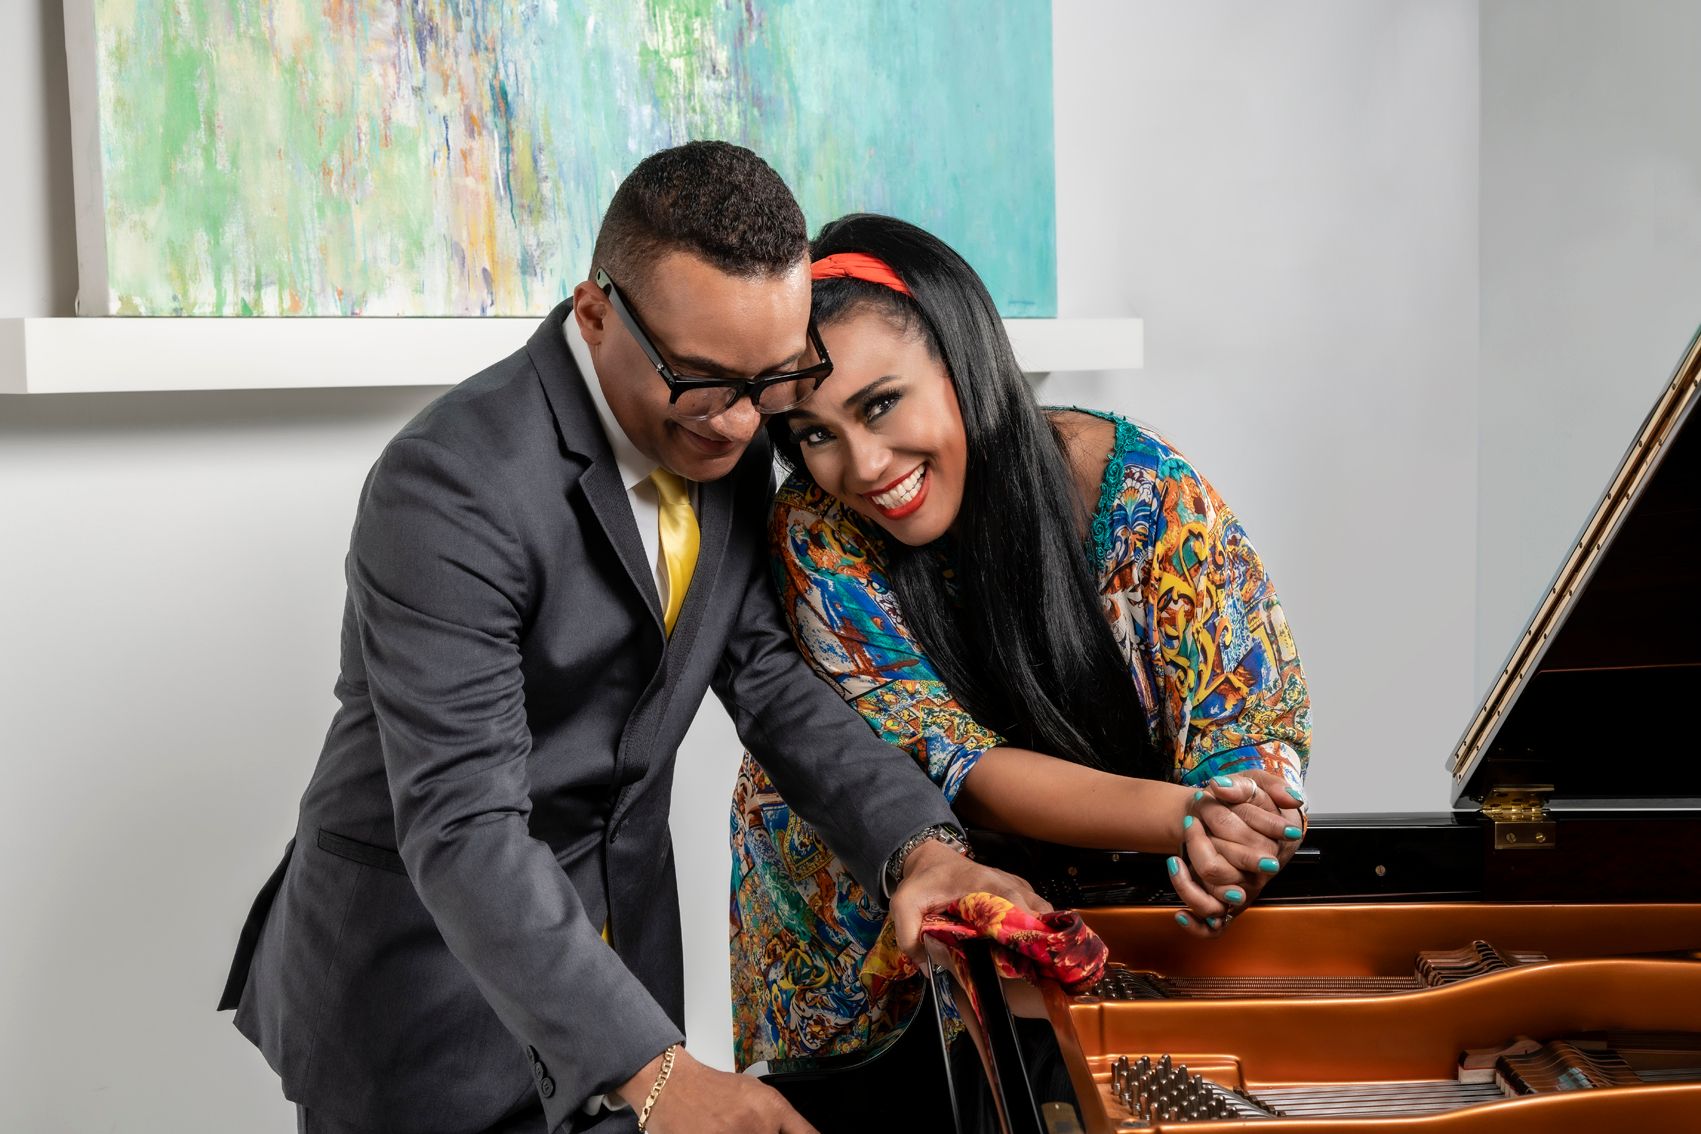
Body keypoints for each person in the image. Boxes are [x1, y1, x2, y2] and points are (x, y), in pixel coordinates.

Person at [218, 144, 1047, 1134]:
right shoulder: (446, 484)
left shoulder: (726, 431)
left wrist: (921, 850)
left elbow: (770, 680)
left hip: (623, 978)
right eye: (705, 381)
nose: (740, 425)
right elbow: (465, 823)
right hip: (421, 998)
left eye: (772, 379)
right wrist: (658, 1075)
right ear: (595, 312)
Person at [729, 214, 1311, 1071]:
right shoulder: (814, 531)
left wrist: (1245, 821)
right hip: (856, 949)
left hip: (1083, 924)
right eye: (815, 434)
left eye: (880, 404)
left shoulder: (1147, 492)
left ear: (961, 359)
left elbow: (1251, 718)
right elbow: (957, 765)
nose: (863, 465)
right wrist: (1192, 818)